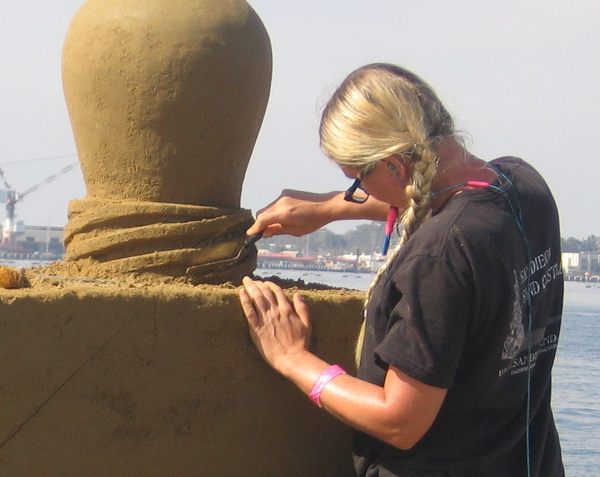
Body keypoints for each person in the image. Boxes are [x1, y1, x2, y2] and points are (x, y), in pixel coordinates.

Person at [238, 63, 564, 476]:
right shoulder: (523, 185)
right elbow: (449, 198)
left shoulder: (437, 259)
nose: (358, 192)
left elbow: (399, 422)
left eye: (357, 180)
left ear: (393, 165)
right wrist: (331, 207)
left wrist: (292, 358)